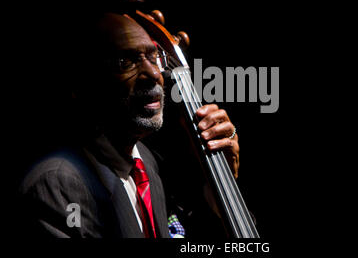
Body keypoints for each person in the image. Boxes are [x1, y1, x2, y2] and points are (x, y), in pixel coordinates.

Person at [18, 12, 240, 238]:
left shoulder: (148, 163)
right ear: (84, 82)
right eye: (125, 61)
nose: (154, 74)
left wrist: (221, 189)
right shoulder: (56, 185)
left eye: (154, 57)